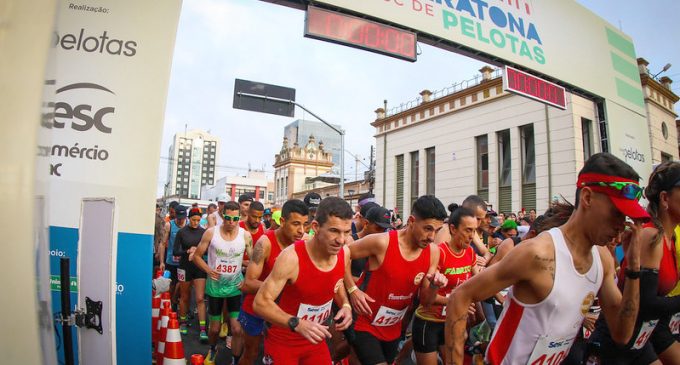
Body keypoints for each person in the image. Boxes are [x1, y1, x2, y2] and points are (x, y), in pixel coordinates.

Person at [445, 152, 647, 364]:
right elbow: (460, 297)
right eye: (616, 213)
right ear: (587, 198)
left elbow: (622, 334)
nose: (621, 224)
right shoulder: (537, 253)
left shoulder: (602, 258)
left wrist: (633, 267)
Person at [588, 161, 680, 364]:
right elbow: (647, 304)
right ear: (665, 198)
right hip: (615, 343)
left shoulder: (670, 238)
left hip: (642, 337)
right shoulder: (650, 236)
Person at [345, 195, 449, 365]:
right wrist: (352, 290)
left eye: (437, 231)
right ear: (411, 221)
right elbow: (341, 256)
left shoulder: (433, 252)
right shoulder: (382, 242)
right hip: (364, 322)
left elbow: (426, 301)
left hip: (393, 328)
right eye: (427, 228)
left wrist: (434, 286)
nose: (431, 236)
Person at [253, 197, 354, 364]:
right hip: (284, 340)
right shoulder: (291, 258)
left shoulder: (344, 253)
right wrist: (297, 323)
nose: (341, 240)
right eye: (334, 231)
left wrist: (345, 305)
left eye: (347, 232)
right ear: (315, 227)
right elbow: (260, 303)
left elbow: (337, 283)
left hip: (315, 339)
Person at [238, 199, 309, 365]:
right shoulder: (265, 242)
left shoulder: (305, 243)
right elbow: (248, 283)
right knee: (251, 354)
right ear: (282, 222)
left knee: (281, 356)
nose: (301, 231)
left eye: (305, 225)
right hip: (256, 308)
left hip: (283, 311)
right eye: (296, 224)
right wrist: (279, 288)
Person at [413, 205, 479, 365]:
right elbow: (425, 298)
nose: (472, 236)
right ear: (453, 229)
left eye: (474, 231)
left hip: (451, 322)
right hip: (428, 322)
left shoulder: (469, 252)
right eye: (467, 230)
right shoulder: (439, 253)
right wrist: (455, 301)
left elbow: (477, 282)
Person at [193, 201, 254, 365]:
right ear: (222, 216)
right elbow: (196, 256)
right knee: (214, 329)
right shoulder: (211, 233)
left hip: (235, 287)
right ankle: (212, 350)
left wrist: (248, 280)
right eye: (227, 218)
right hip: (215, 288)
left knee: (236, 329)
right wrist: (208, 270)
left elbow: (255, 261)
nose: (231, 222)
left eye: (235, 219)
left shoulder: (245, 235)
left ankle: (234, 360)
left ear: (239, 217)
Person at [173, 208, 208, 340]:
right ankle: (182, 322)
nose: (195, 223)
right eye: (193, 220)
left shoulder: (204, 232)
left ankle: (203, 328)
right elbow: (175, 251)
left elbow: (207, 251)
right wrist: (188, 251)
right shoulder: (182, 232)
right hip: (184, 266)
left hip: (199, 267)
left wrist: (197, 251)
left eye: (198, 220)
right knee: (185, 296)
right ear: (189, 218)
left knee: (200, 298)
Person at [159, 204, 187, 311]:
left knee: (182, 285)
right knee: (170, 286)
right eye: (178, 218)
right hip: (171, 260)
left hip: (183, 261)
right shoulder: (169, 225)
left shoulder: (189, 224)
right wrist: (162, 262)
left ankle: (175, 302)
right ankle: (169, 306)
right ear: (175, 215)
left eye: (182, 218)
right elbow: (163, 243)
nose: (180, 221)